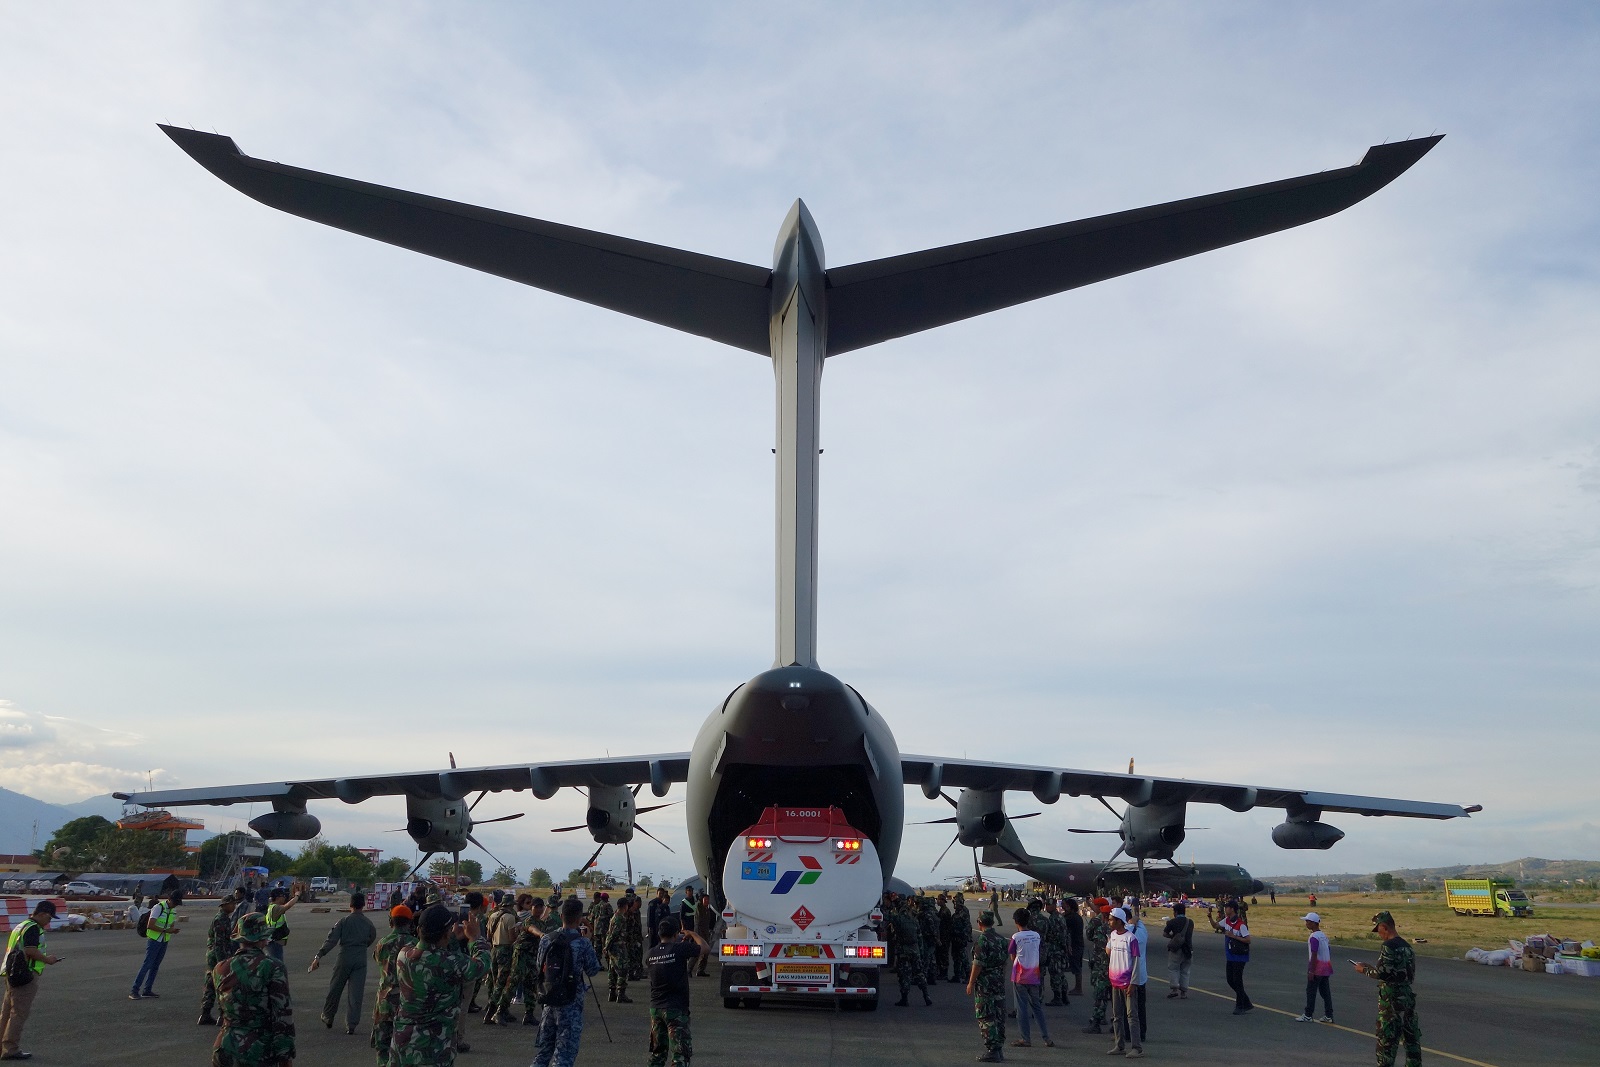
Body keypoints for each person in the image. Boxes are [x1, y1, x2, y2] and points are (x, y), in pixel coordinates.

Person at [391, 904, 490, 1067]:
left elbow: (436, 953)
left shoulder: (404, 954)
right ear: (445, 933)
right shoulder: (452, 963)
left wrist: (450, 939)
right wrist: (475, 939)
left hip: (402, 1041)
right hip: (432, 1047)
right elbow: (481, 965)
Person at [210, 910, 295, 1067]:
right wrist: (285, 1054)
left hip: (225, 1046)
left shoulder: (220, 968)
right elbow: (282, 1015)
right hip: (258, 1048)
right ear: (263, 939)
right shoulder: (273, 967)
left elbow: (223, 1009)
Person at [530, 897, 602, 1067]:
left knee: (543, 1052)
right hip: (571, 1002)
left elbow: (539, 965)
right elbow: (593, 969)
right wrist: (588, 941)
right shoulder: (582, 942)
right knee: (564, 1054)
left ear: (561, 916)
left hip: (548, 998)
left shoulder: (546, 939)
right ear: (579, 919)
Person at [1353, 911, 1420, 1067]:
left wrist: (1363, 970)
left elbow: (1384, 973)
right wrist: (1372, 967)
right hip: (1407, 999)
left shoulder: (1388, 946)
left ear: (1385, 927)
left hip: (1391, 1002)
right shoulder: (1407, 946)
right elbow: (1406, 974)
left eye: (1379, 930)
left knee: (1387, 1045)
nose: (1379, 934)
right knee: (1412, 1044)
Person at [1, 900, 62, 1061]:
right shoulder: (33, 928)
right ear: (41, 914)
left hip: (11, 972)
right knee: (18, 1013)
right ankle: (10, 1048)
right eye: (49, 918)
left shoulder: (22, 925)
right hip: (24, 974)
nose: (49, 923)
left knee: (6, 1013)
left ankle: (3, 1045)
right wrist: (47, 960)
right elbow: (30, 950)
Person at [310, 891, 377, 1034]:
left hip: (344, 956)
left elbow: (331, 940)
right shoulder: (368, 923)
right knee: (356, 993)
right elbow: (371, 938)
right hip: (360, 958)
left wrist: (319, 955)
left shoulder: (343, 921)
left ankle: (328, 1016)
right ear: (363, 905)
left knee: (335, 988)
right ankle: (351, 1025)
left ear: (350, 904)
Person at [646, 915, 708, 1067]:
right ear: (676, 934)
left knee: (658, 1053)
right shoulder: (679, 949)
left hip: (656, 1007)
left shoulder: (650, 954)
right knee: (680, 1054)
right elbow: (705, 948)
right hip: (675, 1008)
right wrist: (693, 934)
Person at [371, 905, 417, 1067]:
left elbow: (378, 961)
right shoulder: (416, 945)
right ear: (410, 923)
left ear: (391, 922)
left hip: (384, 1002)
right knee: (406, 1048)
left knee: (382, 1047)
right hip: (407, 1004)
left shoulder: (382, 943)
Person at [965, 910, 1007, 1063]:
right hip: (998, 981)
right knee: (998, 1015)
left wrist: (971, 982)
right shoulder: (1002, 939)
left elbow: (977, 965)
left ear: (980, 923)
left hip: (985, 984)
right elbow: (1004, 963)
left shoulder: (982, 941)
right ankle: (999, 1048)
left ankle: (992, 1049)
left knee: (985, 1015)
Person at [1006, 908, 1051, 1048]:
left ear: (1015, 921)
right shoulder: (1036, 935)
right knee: (1036, 1007)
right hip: (1034, 974)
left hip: (1020, 975)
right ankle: (1046, 1037)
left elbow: (1012, 955)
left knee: (1021, 1008)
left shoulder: (1016, 937)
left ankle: (1025, 1038)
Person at [130, 888, 182, 999]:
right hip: (154, 940)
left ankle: (147, 990)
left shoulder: (173, 910)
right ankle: (134, 990)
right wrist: (167, 930)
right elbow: (150, 925)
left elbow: (170, 924)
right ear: (169, 899)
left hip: (164, 940)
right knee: (147, 965)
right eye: (174, 903)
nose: (175, 905)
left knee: (155, 966)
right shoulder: (159, 907)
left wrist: (172, 929)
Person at [1105, 907, 1143, 1058]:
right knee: (1117, 1016)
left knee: (1131, 1016)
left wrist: (1133, 983)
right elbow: (1108, 951)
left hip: (1127, 984)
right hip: (1114, 982)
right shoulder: (1113, 935)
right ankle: (1119, 1045)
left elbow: (1136, 961)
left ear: (1119, 921)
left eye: (1111, 919)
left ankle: (1136, 1047)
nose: (1109, 922)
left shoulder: (1131, 938)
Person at [1208, 899, 1252, 1014]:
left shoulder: (1241, 924)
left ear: (1232, 909)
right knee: (1230, 980)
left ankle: (1240, 1006)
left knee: (1237, 981)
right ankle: (1246, 1002)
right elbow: (1215, 926)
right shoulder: (1226, 921)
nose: (1225, 909)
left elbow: (1248, 940)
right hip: (1230, 955)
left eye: (1227, 907)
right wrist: (1210, 917)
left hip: (1239, 956)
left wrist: (1234, 936)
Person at [199, 897, 239, 1025]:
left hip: (214, 954)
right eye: (232, 904)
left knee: (211, 983)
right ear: (225, 905)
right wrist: (222, 962)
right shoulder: (221, 919)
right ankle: (222, 1015)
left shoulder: (223, 917)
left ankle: (205, 1013)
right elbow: (219, 943)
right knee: (222, 984)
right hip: (218, 955)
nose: (234, 907)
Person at [483, 894, 521, 1023]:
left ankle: (500, 1010)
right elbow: (511, 938)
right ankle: (492, 1012)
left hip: (494, 949)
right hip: (505, 950)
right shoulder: (510, 918)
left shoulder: (492, 915)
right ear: (511, 905)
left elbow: (488, 935)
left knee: (495, 981)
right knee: (503, 982)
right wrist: (519, 934)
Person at [511, 898, 550, 1024]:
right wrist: (541, 934)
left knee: (531, 984)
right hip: (521, 954)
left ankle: (529, 1014)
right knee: (513, 981)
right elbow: (531, 929)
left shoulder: (542, 922)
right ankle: (500, 1010)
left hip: (532, 956)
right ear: (531, 908)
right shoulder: (529, 920)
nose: (539, 909)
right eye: (536, 906)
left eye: (541, 906)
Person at [887, 898, 931, 1006]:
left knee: (904, 975)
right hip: (915, 951)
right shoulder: (914, 920)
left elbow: (886, 917)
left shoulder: (898, 918)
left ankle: (905, 999)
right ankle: (926, 996)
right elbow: (919, 937)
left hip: (904, 951)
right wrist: (920, 953)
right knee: (919, 974)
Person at [1295, 911, 1334, 1023]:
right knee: (1325, 993)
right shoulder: (1323, 936)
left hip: (1317, 969)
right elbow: (1328, 950)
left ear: (1313, 923)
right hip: (1326, 967)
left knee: (1311, 992)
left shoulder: (1313, 937)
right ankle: (1329, 1015)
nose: (1306, 924)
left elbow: (1314, 954)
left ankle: (1308, 1014)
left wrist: (1311, 970)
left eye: (1308, 922)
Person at [604, 895, 642, 1003]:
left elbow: (609, 933)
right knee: (622, 970)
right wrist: (607, 947)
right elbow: (614, 934)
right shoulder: (620, 918)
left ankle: (612, 993)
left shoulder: (614, 916)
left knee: (612, 969)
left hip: (613, 947)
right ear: (625, 906)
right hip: (618, 947)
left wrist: (607, 946)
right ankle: (620, 994)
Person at [1081, 899, 1111, 1034]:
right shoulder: (1119, 929)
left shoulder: (1099, 926)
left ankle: (1097, 1021)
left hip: (1101, 965)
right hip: (1115, 968)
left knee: (1099, 994)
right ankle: (1113, 1021)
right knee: (1113, 996)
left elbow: (1089, 936)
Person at [1162, 902, 1193, 1000]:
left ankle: (1174, 989)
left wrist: (1173, 937)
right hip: (1188, 949)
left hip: (1176, 949)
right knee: (1185, 971)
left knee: (1173, 968)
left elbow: (1165, 933)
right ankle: (1184, 992)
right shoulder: (1190, 922)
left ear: (1175, 912)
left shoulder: (1172, 922)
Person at [263, 887, 301, 964]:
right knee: (278, 964)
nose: (284, 898)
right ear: (278, 898)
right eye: (283, 896)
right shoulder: (275, 908)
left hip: (272, 940)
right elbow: (288, 906)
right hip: (274, 942)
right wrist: (297, 896)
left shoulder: (272, 907)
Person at [1128, 902, 1149, 1042]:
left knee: (1128, 1009)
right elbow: (1138, 921)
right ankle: (1142, 1033)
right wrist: (1135, 916)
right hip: (1141, 976)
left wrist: (1131, 919)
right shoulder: (1143, 932)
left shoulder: (1125, 934)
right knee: (1141, 1007)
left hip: (1128, 977)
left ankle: (1128, 1033)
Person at [1062, 896, 1085, 996]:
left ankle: (1078, 988)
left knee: (1076, 967)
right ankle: (1078, 987)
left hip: (1075, 945)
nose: (1063, 908)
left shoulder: (1070, 918)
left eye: (1066, 906)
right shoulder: (1076, 917)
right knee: (1077, 966)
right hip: (1078, 944)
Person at [948, 892, 973, 982]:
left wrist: (965, 937)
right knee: (956, 957)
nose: (954, 905)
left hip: (961, 938)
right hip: (955, 938)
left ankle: (968, 975)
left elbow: (967, 926)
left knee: (963, 957)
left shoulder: (963, 912)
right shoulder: (957, 913)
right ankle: (957, 975)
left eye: (956, 903)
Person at [691, 893, 716, 977]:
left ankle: (700, 970)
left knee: (705, 953)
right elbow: (698, 923)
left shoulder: (707, 909)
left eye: (708, 900)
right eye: (705, 900)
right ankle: (688, 970)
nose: (707, 901)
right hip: (699, 933)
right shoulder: (699, 908)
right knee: (696, 952)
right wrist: (698, 936)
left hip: (705, 933)